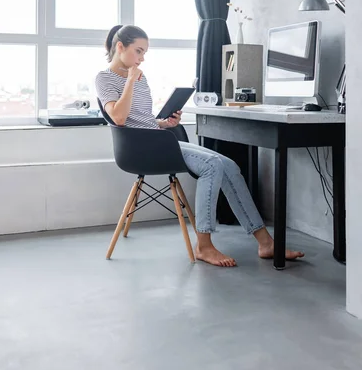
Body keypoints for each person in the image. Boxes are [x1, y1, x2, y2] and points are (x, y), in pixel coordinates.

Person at [95, 24, 304, 268]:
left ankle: (265, 242)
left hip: (158, 138)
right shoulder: (105, 78)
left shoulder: (140, 77)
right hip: (140, 150)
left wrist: (164, 122)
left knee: (230, 165)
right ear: (120, 47)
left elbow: (141, 119)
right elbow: (119, 118)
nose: (142, 58)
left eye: (144, 53)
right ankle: (204, 245)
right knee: (212, 165)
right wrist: (130, 81)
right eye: (138, 51)